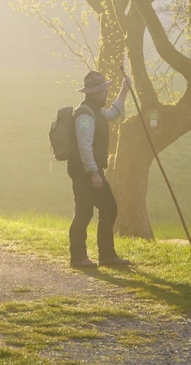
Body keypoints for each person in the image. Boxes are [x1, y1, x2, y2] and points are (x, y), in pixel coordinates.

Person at [68, 70, 133, 269]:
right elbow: (84, 146)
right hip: (86, 172)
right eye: (103, 90)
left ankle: (106, 256)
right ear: (95, 93)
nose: (106, 93)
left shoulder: (95, 111)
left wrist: (124, 91)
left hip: (92, 171)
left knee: (108, 208)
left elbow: (113, 113)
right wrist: (94, 173)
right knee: (84, 212)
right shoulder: (85, 115)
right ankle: (79, 257)